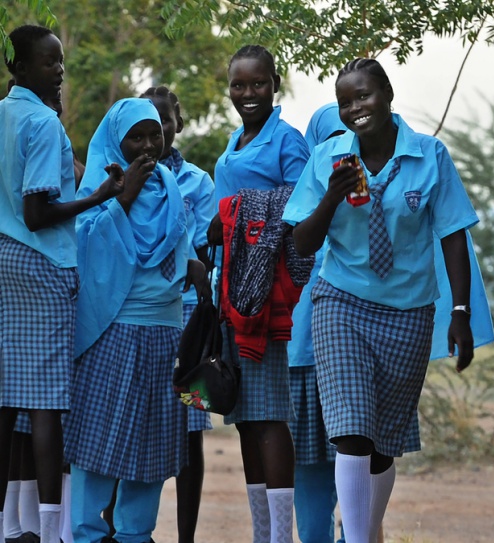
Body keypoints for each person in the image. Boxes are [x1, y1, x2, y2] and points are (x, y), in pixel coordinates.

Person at [282, 57, 480, 543]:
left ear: (387, 94)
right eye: (345, 101)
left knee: (382, 441)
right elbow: (301, 243)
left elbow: (454, 235)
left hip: (409, 309)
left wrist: (460, 312)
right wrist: (332, 196)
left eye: (364, 96)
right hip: (341, 300)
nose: (355, 108)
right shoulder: (329, 157)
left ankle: (366, 532)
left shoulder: (430, 155)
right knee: (350, 429)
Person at [0, 25, 125, 543]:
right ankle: (51, 531)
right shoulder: (43, 122)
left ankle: (8, 528)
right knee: (48, 401)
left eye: (62, 63)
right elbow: (36, 212)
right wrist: (100, 196)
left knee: (6, 401)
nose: (60, 72)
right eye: (50, 63)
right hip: (40, 263)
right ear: (21, 68)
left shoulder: (3, 114)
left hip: (3, 262)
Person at [65, 97, 208, 543]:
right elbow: (81, 244)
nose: (149, 145)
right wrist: (120, 200)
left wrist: (196, 269)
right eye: (136, 137)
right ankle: (88, 533)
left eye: (155, 135)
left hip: (167, 332)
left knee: (152, 445)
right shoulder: (99, 186)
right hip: (112, 331)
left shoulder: (171, 186)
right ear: (116, 141)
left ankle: (134, 535)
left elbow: (183, 250)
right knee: (96, 444)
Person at [208, 44, 309, 543]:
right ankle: (261, 532)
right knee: (246, 418)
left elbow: (300, 206)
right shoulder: (235, 139)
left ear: (275, 83)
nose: (247, 94)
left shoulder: (287, 142)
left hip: (264, 294)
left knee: (269, 415)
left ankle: (280, 536)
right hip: (230, 292)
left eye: (258, 84)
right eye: (238, 85)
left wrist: (233, 213)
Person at [142, 86, 216, 542]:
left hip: (188, 322)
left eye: (164, 122)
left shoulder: (198, 183)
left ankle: (185, 537)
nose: (155, 134)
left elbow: (207, 252)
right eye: (145, 126)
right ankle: (122, 529)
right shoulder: (124, 176)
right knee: (140, 421)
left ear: (178, 124)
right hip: (143, 318)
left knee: (190, 433)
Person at [288, 102, 343, 543]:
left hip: (364, 346)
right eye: (329, 142)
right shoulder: (303, 208)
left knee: (364, 454)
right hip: (305, 355)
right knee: (310, 464)